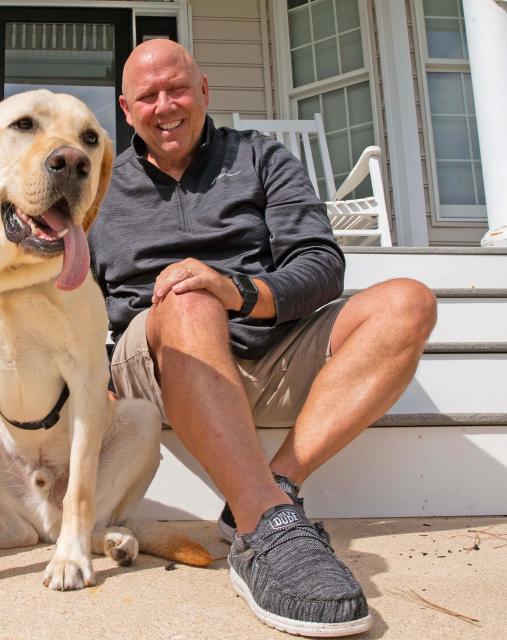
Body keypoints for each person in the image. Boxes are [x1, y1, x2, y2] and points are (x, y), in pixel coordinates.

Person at [88, 40, 437, 636]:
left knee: (408, 301)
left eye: (177, 88)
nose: (164, 105)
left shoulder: (260, 157)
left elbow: (321, 263)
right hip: (155, 364)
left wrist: (239, 291)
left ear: (204, 92)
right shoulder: (99, 187)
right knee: (187, 297)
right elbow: (72, 294)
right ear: (126, 109)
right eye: (147, 96)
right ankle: (267, 524)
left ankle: (272, 488)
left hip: (266, 343)